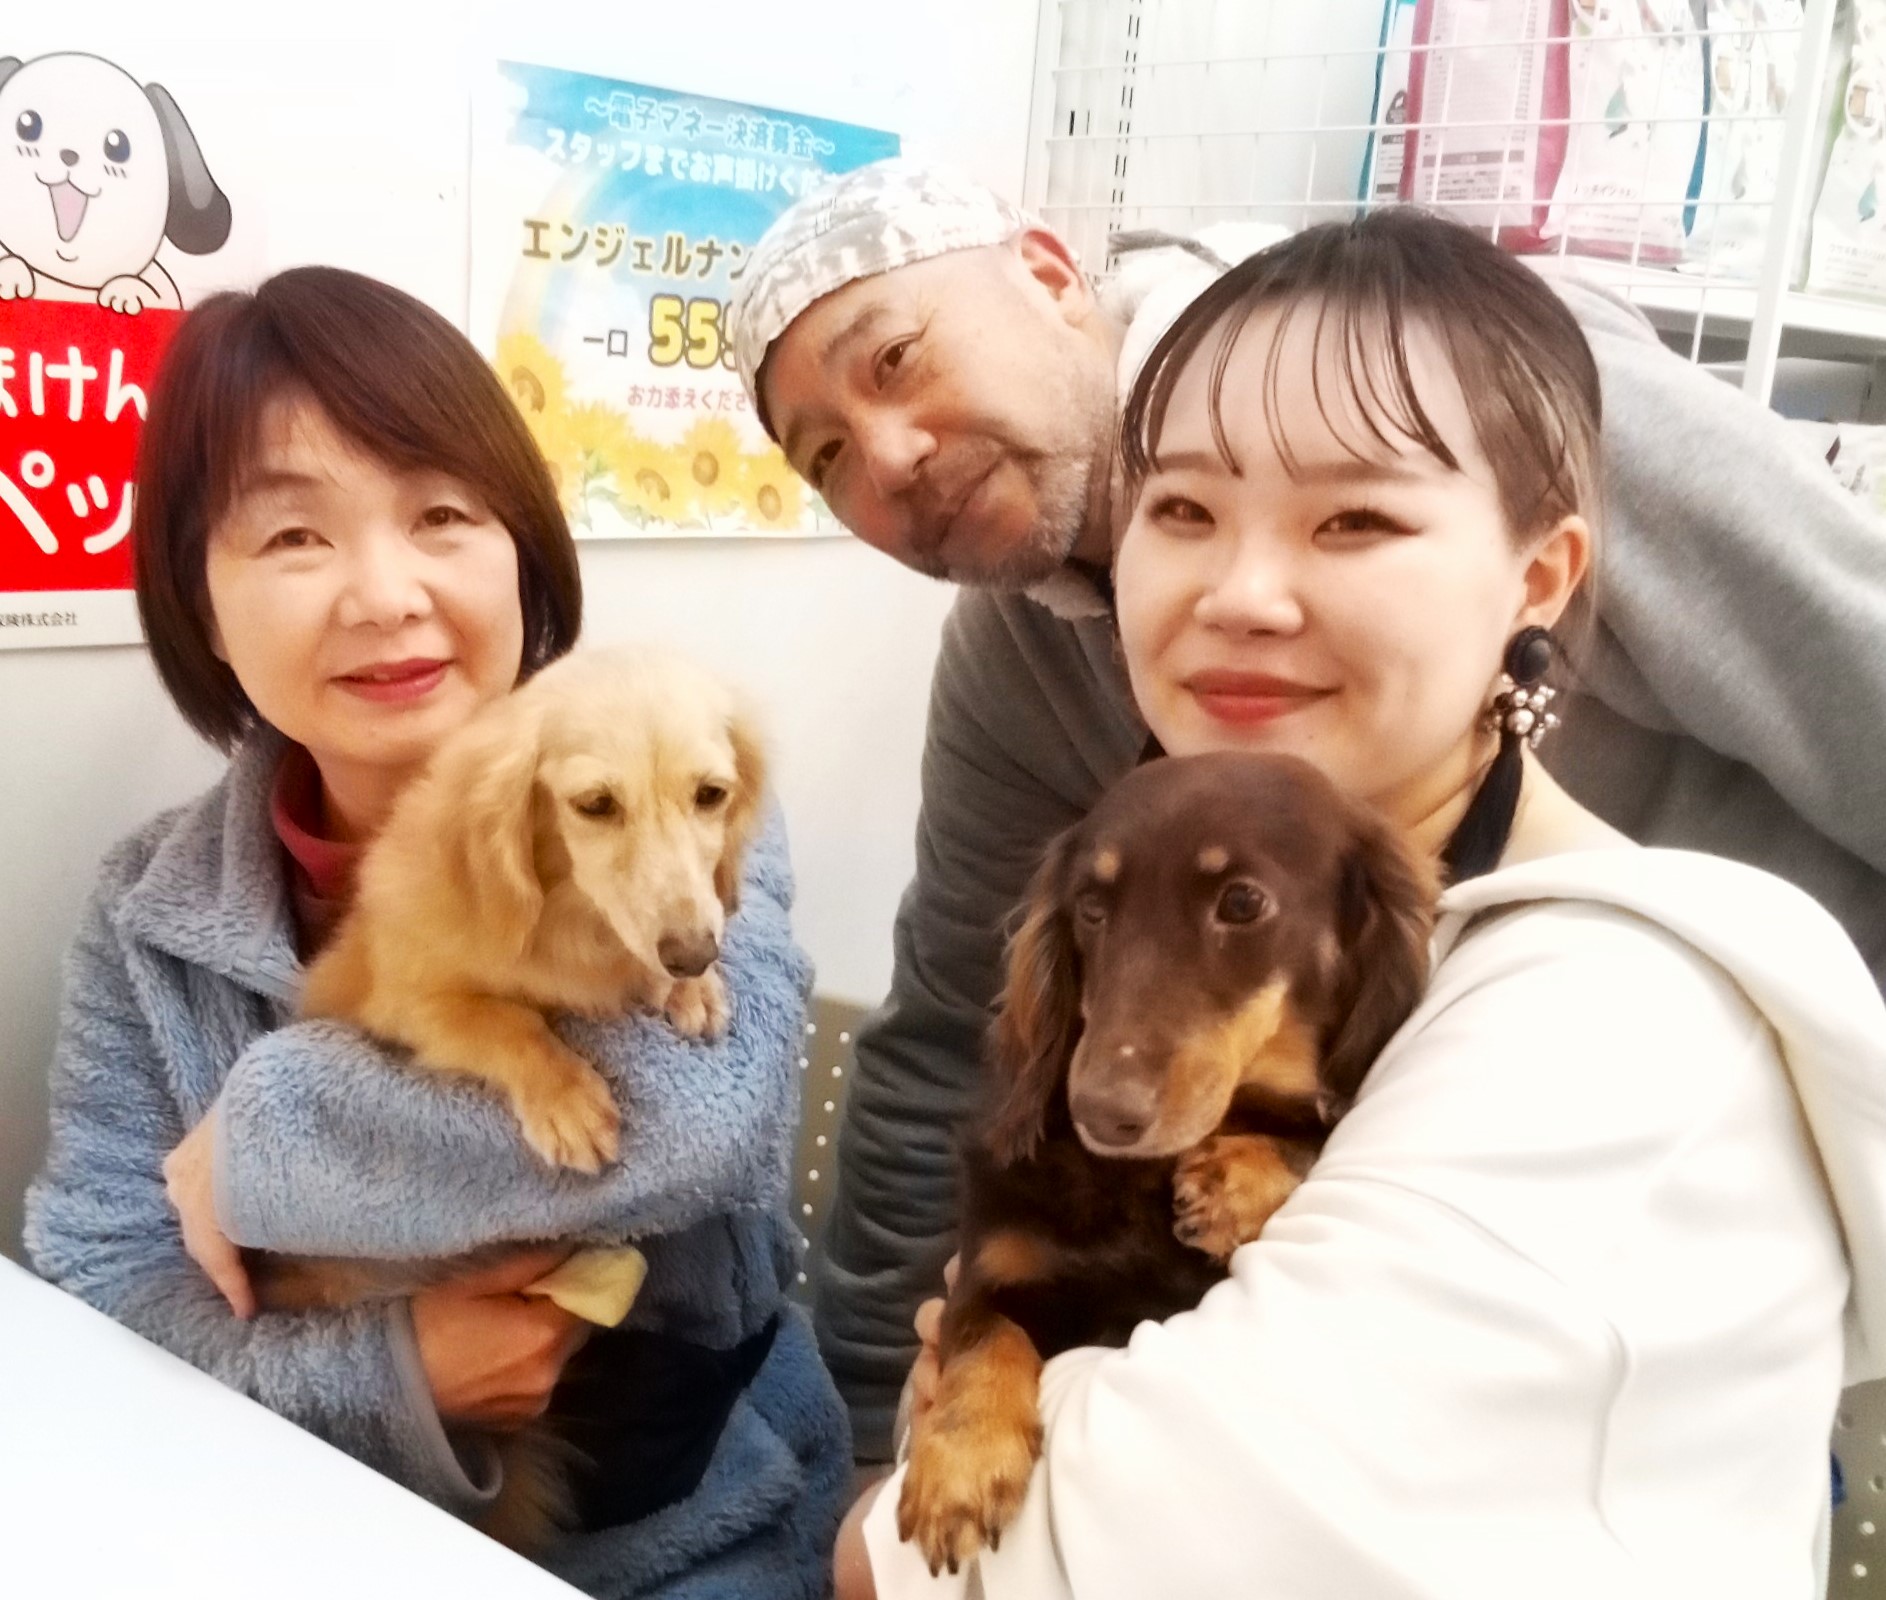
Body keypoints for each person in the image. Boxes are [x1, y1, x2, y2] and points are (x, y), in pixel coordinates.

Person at [727, 159, 1886, 1464]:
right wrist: (875, 1443)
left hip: (1705, 1176)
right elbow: (955, 1031)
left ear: (1049, 276)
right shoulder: (1021, 649)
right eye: (825, 457)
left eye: (895, 358)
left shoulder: (1453, 376)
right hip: (1345, 1238)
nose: (888, 457)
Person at [24, 266, 848, 1600]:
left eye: (441, 514)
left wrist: (255, 1142)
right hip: (286, 1522)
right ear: (200, 604)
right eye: (294, 536)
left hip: (681, 1522)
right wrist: (393, 1373)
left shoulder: (678, 796)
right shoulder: (147, 913)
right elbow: (100, 1277)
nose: (384, 593)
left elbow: (697, 1129)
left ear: (523, 550)